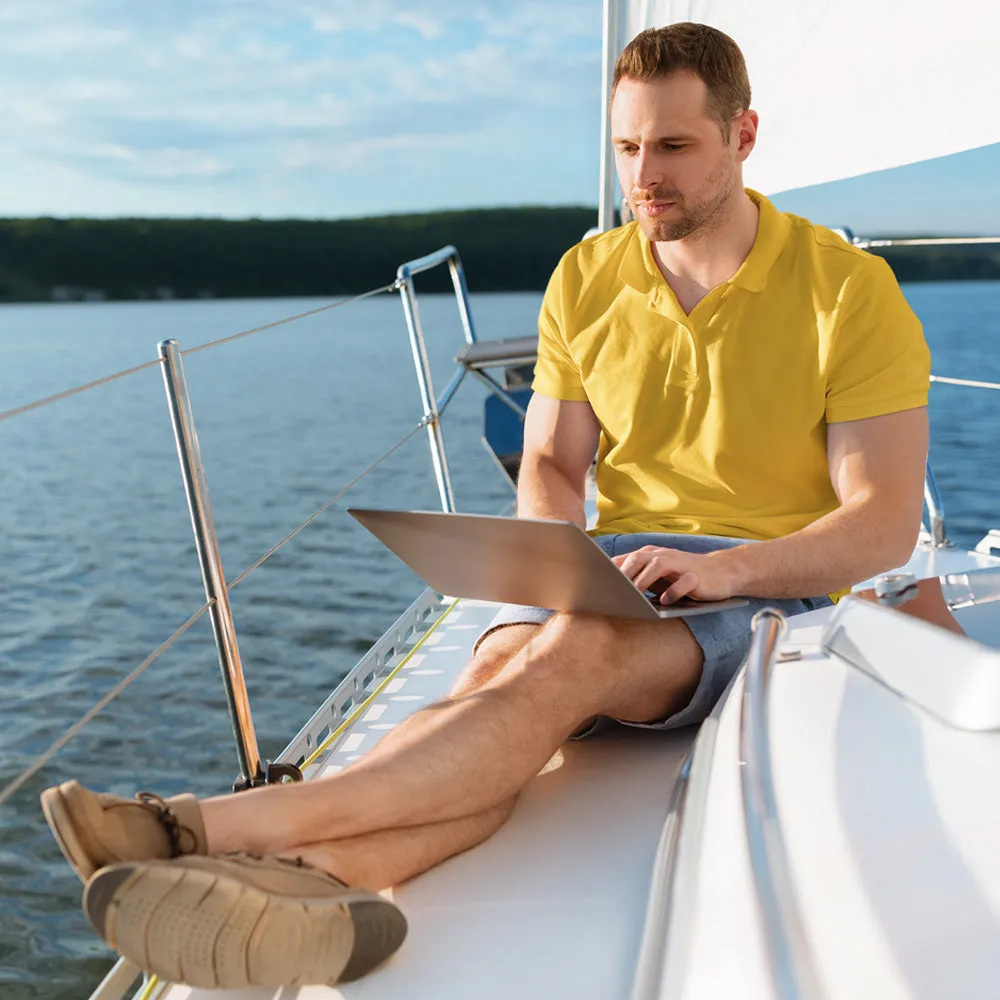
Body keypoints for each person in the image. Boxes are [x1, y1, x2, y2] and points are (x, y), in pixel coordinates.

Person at [39, 21, 930, 990]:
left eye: (674, 146)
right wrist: (554, 565)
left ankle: (203, 824)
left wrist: (720, 570)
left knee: (572, 657)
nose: (645, 174)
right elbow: (550, 458)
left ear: (743, 136)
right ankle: (339, 882)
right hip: (621, 563)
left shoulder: (846, 292)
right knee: (501, 681)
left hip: (765, 587)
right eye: (627, 148)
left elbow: (877, 523)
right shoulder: (587, 276)